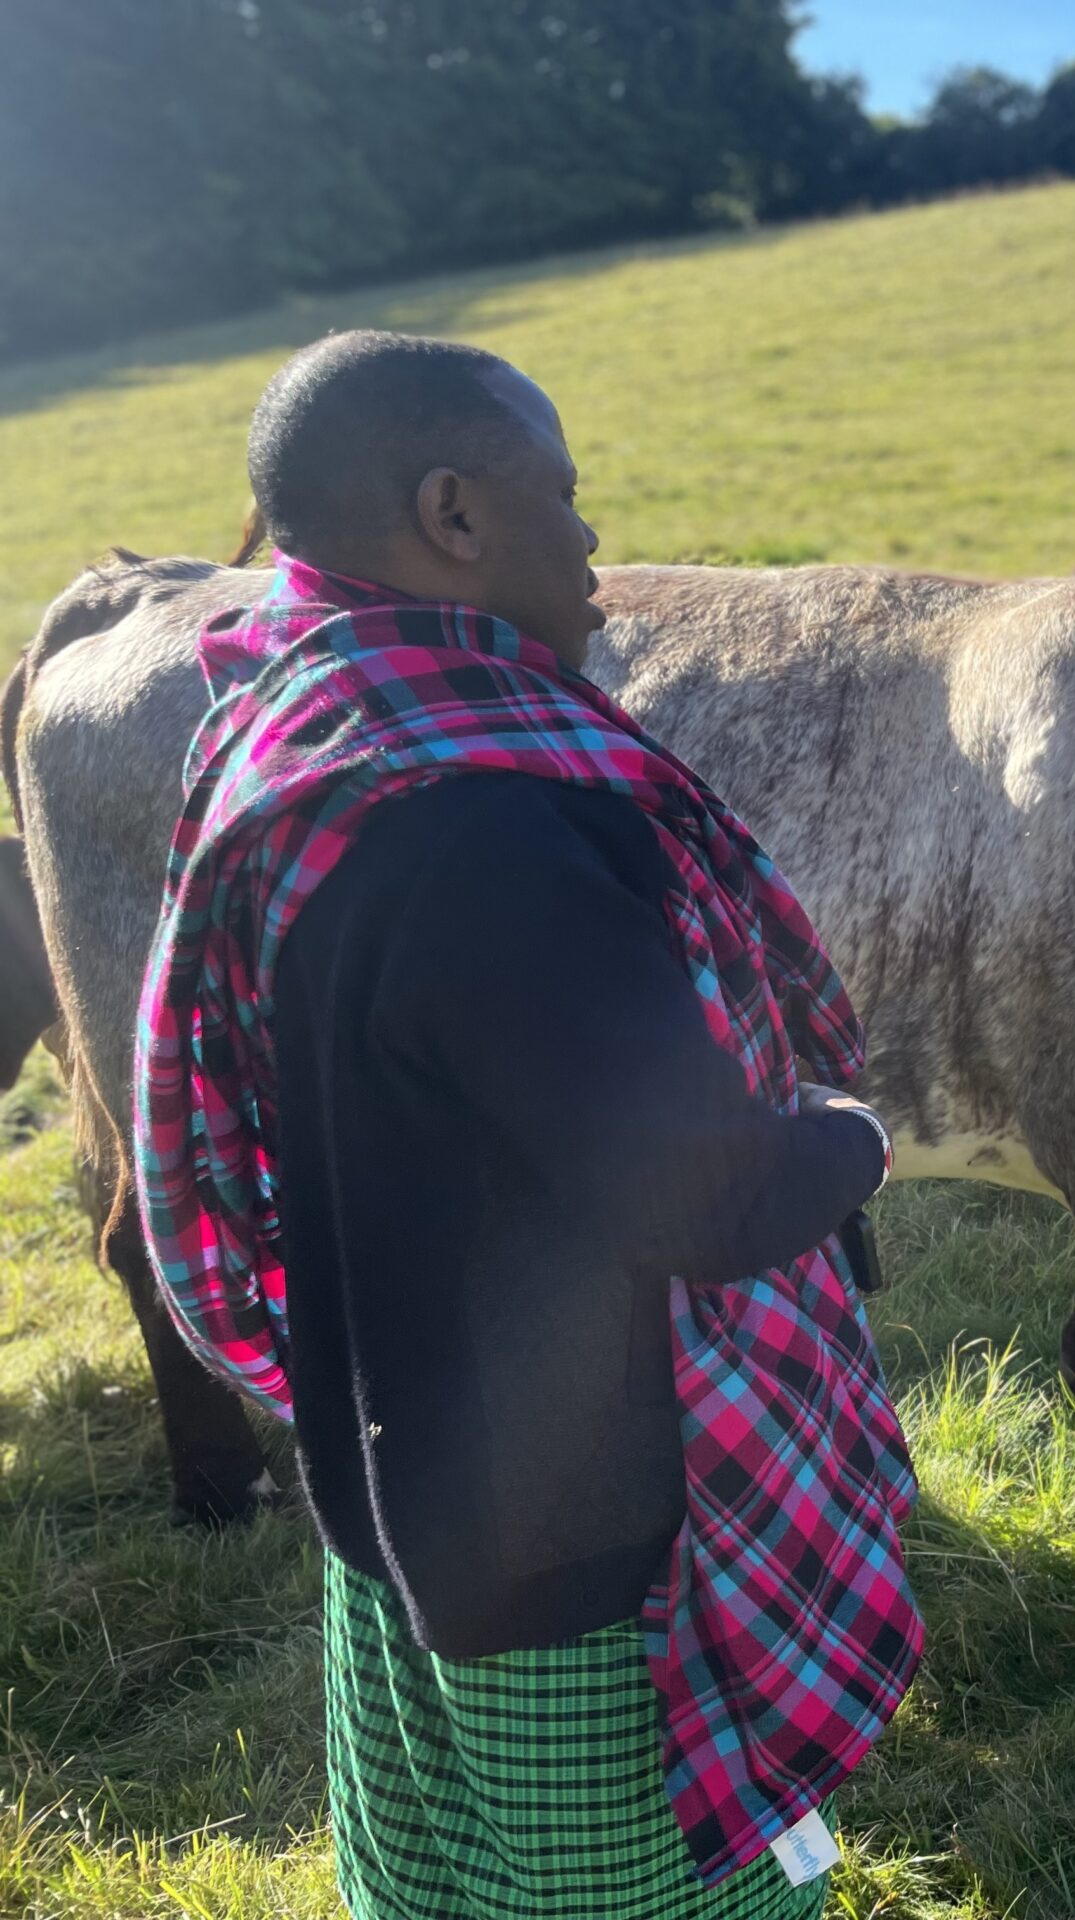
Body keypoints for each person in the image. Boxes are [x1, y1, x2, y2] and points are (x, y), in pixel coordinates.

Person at [134, 330, 922, 1916]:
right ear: (456, 515)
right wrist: (851, 1130)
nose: (596, 543)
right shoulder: (489, 830)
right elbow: (699, 1194)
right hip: (580, 1550)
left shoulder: (305, 737)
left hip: (394, 1487)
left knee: (432, 1889)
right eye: (564, 496)